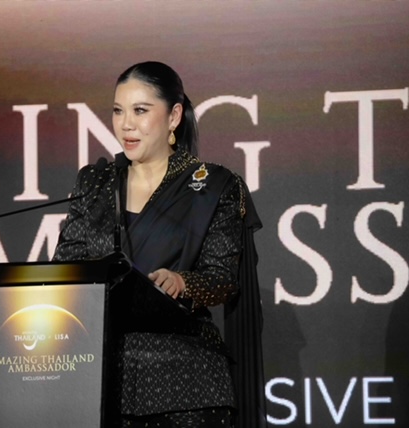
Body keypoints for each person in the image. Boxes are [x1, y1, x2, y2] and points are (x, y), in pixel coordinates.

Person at [53, 61, 265, 428]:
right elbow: (65, 270)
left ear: (174, 116)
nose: (126, 124)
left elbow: (223, 279)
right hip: (100, 379)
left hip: (185, 382)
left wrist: (183, 281)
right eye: (118, 111)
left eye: (140, 110)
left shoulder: (213, 186)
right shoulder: (95, 182)